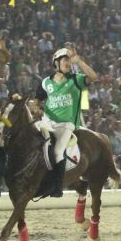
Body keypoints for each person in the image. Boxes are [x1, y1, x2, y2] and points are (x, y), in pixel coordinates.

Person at [34, 47, 97, 197]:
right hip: (47, 123)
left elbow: (93, 76)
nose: (68, 63)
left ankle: (57, 187)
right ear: (56, 63)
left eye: (70, 60)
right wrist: (35, 107)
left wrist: (79, 62)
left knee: (57, 152)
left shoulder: (76, 79)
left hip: (66, 125)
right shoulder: (45, 83)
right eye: (65, 60)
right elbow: (36, 101)